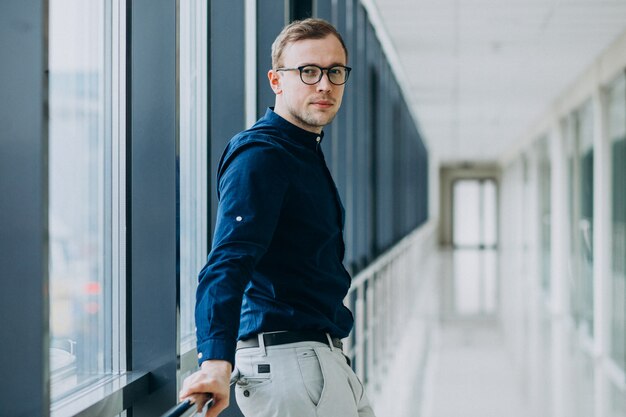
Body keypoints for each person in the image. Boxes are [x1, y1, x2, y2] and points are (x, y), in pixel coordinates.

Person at [179, 18, 376, 417]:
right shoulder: (263, 155)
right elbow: (228, 259)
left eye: (335, 71)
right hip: (291, 368)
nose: (324, 84)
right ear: (276, 80)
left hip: (320, 362)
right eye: (308, 71)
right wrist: (215, 359)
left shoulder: (302, 152)